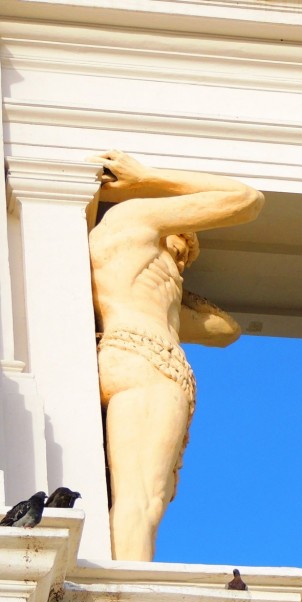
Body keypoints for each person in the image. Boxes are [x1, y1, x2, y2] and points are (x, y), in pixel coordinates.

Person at [88, 150, 264, 560]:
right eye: (185, 240)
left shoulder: (155, 283)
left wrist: (178, 288)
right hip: (147, 365)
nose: (183, 259)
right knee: (143, 501)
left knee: (143, 497)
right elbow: (245, 198)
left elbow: (225, 330)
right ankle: (130, 588)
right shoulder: (131, 220)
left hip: (140, 359)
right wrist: (147, 178)